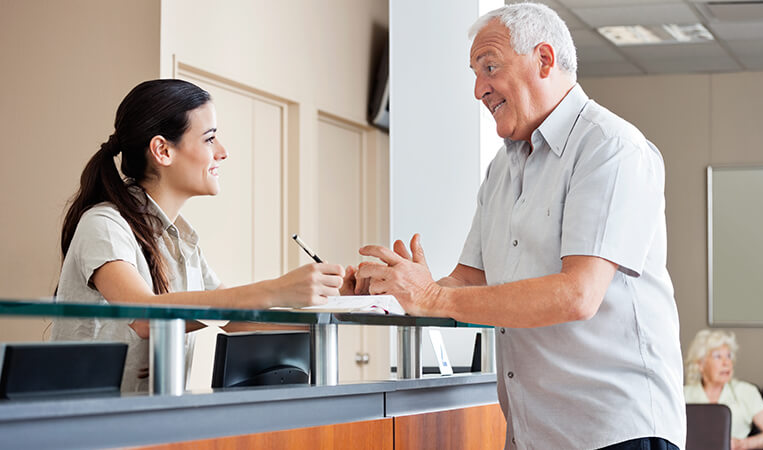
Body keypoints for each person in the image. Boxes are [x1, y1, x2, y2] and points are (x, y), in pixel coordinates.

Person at [355, 3, 685, 449]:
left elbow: (578, 294)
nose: (478, 90)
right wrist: (399, 288)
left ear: (544, 60)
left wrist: (432, 296)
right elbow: (468, 281)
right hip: (535, 433)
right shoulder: (502, 169)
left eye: (489, 67)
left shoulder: (611, 148)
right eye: (474, 73)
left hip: (614, 432)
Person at [52, 79, 354, 393]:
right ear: (163, 150)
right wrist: (276, 289)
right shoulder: (103, 224)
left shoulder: (183, 241)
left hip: (147, 423)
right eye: (210, 139)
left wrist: (340, 303)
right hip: (85, 425)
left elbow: (235, 319)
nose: (223, 152)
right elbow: (143, 316)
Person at [683, 330, 763, 450]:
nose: (726, 362)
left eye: (729, 356)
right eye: (718, 356)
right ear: (700, 364)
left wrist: (742, 444)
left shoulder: (746, 392)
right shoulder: (683, 394)